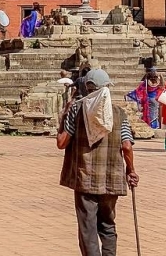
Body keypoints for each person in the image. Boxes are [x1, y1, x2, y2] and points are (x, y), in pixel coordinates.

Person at [56, 69, 138, 256]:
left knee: (88, 228)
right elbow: (126, 146)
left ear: (87, 88)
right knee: (107, 225)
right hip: (112, 178)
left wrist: (64, 115)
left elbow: (61, 142)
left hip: (85, 179)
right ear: (107, 88)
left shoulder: (76, 110)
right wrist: (131, 170)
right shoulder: (119, 113)